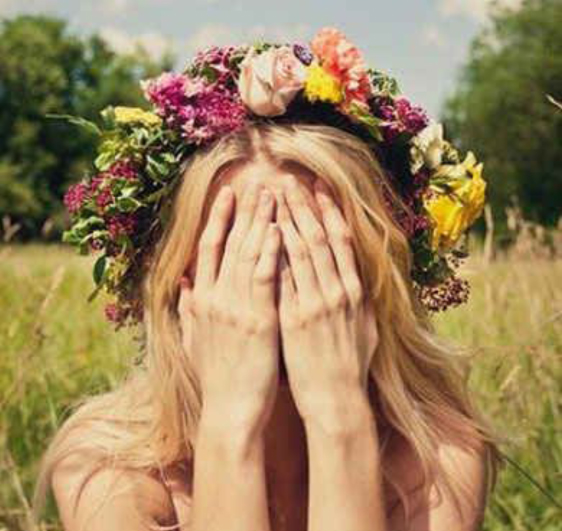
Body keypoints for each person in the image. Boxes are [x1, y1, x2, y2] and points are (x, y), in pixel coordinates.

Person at [32, 27, 505, 531]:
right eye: (240, 250)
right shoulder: (105, 467)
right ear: (176, 276)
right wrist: (229, 426)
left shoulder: (439, 461)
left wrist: (339, 418)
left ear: (373, 273)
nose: (274, 290)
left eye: (314, 249)